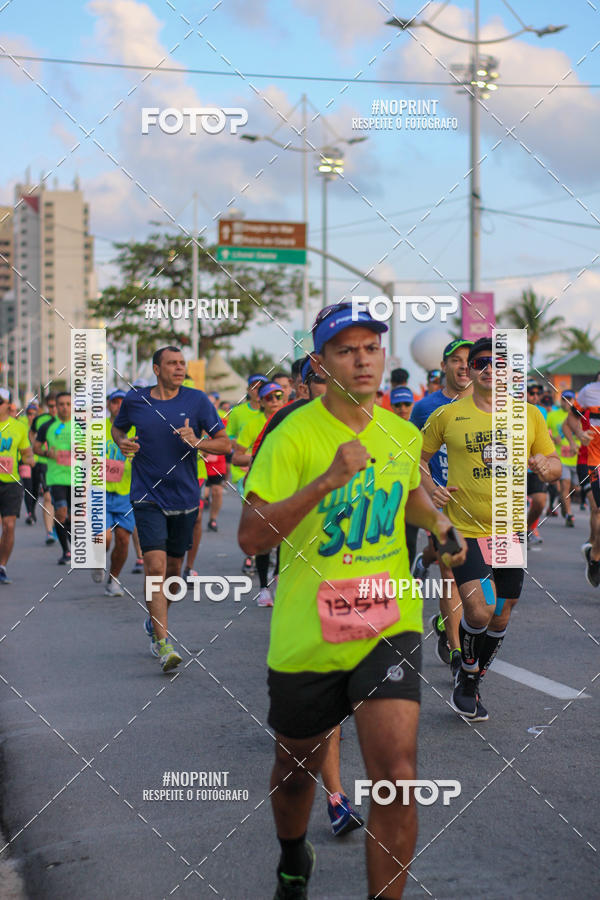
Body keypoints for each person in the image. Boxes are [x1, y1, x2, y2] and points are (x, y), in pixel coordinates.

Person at [240, 302, 465, 900]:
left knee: (397, 778)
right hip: (307, 635)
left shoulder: (401, 432)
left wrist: (440, 528)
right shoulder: (291, 434)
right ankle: (293, 857)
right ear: (322, 361)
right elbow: (252, 535)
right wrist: (326, 482)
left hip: (386, 624)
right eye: (345, 350)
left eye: (370, 348)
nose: (361, 359)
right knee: (295, 776)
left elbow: (411, 496)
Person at [420, 337, 560, 720]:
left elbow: (553, 461)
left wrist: (549, 467)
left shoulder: (529, 415)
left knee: (501, 613)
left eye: (497, 363)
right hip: (463, 529)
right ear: (472, 367)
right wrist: (431, 488)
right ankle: (466, 676)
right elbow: (416, 459)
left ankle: (473, 679)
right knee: (479, 612)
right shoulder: (448, 415)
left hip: (508, 531)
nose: (488, 369)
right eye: (480, 362)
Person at [112, 346, 230, 671]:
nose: (179, 368)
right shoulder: (136, 400)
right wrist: (122, 441)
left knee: (173, 574)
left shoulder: (197, 401)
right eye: (172, 364)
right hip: (147, 495)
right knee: (154, 566)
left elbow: (225, 443)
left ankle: (156, 619)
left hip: (185, 498)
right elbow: (118, 427)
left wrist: (198, 442)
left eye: (182, 364)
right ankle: (163, 643)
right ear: (156, 368)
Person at [409, 338, 473, 676]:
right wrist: (431, 489)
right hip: (442, 506)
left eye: (470, 360)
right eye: (457, 360)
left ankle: (444, 622)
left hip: (481, 509)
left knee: (483, 594)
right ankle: (458, 654)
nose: (464, 366)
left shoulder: (490, 407)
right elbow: (414, 458)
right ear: (444, 366)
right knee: (450, 573)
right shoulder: (424, 408)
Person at [233, 382, 286, 601]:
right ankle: (263, 587)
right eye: (269, 397)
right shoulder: (253, 424)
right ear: (261, 402)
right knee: (264, 533)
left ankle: (278, 578)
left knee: (284, 535)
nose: (274, 401)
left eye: (278, 396)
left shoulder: (292, 420)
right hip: (259, 483)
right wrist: (259, 459)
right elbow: (236, 457)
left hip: (286, 484)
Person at [95, 389, 137, 596]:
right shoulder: (97, 428)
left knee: (122, 540)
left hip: (125, 494)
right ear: (108, 405)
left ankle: (113, 580)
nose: (118, 406)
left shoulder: (137, 429)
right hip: (99, 492)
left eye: (123, 402)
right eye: (114, 402)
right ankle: (97, 558)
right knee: (105, 539)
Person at [566, 372, 600, 588]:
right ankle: (595, 555)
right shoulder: (589, 392)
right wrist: (578, 436)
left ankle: (593, 548)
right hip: (592, 460)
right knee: (597, 510)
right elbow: (569, 420)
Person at [34, 392, 74, 565]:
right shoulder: (47, 426)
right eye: (61, 404)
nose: (64, 407)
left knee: (74, 517)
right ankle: (66, 551)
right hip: (56, 477)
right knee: (61, 513)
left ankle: (76, 547)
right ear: (56, 407)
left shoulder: (82, 425)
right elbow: (35, 447)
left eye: (68, 404)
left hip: (77, 478)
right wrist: (45, 452)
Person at [0, 389, 35, 583]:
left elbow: (26, 452)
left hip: (11, 482)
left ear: (8, 405)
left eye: (0, 401)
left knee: (9, 525)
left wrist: (29, 459)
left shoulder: (18, 428)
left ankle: (2, 566)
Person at [546, 391, 579, 527]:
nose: (567, 402)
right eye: (564, 400)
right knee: (565, 486)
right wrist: (554, 438)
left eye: (570, 399)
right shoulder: (553, 415)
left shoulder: (578, 415)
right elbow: (544, 432)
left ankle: (565, 508)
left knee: (575, 488)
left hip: (577, 458)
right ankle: (570, 514)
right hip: (561, 458)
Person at [30, 394, 57, 544]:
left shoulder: (72, 422)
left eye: (56, 405)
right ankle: (49, 532)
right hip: (44, 463)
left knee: (66, 503)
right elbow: (32, 432)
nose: (54, 409)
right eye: (51, 406)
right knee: (47, 497)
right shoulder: (41, 421)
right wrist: (35, 446)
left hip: (66, 467)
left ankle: (61, 524)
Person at [526, 380, 549, 546]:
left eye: (537, 394)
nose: (534, 397)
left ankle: (528, 529)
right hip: (512, 468)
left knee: (540, 501)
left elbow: (541, 439)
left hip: (533, 466)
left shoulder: (541, 411)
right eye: (531, 393)